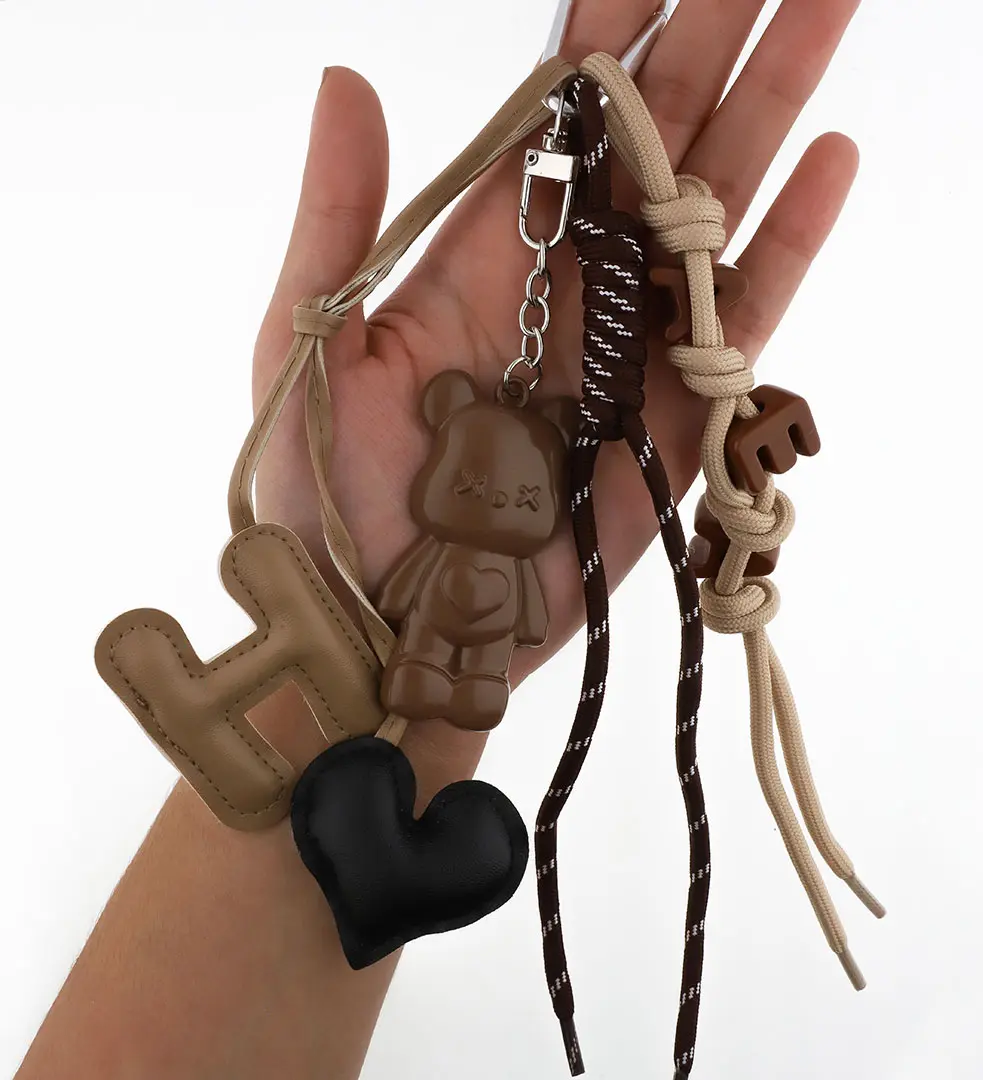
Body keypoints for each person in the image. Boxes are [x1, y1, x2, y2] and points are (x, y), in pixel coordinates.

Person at [16, 1, 863, 1075]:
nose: (503, 508)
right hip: (422, 649)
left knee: (448, 673)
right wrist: (363, 613)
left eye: (515, 499)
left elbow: (506, 600)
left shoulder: (520, 515)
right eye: (482, 490)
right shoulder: (446, 529)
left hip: (450, 651)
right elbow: (426, 596)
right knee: (433, 665)